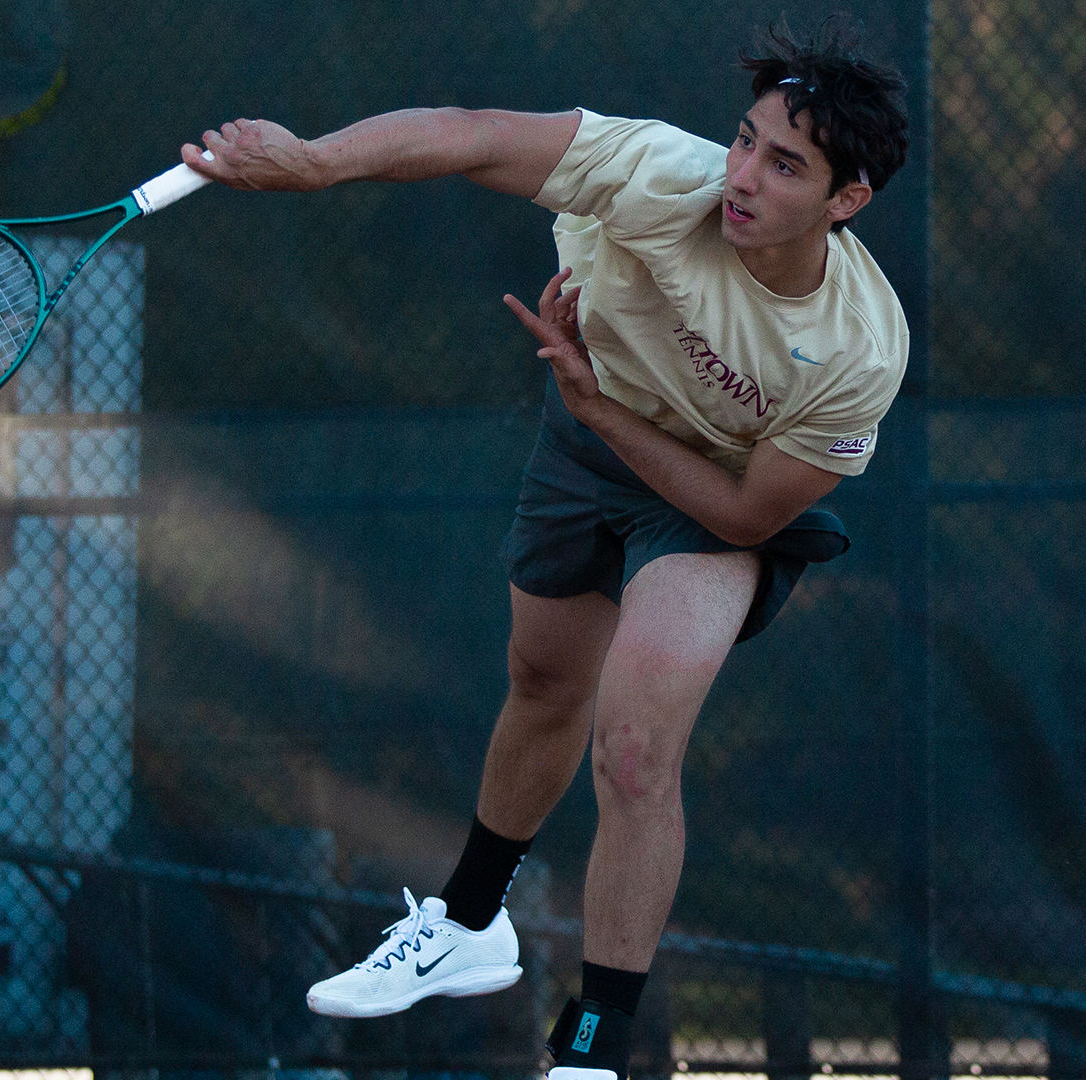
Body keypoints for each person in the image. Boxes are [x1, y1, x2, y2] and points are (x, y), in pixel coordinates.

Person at [184, 19, 911, 1080]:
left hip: (708, 494)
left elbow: (752, 515)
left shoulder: (857, 348)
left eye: (786, 164)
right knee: (542, 686)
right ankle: (470, 926)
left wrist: (602, 410)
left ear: (846, 201)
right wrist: (312, 162)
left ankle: (589, 1052)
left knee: (634, 750)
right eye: (746, 139)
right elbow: (474, 135)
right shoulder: (664, 172)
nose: (743, 175)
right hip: (589, 432)